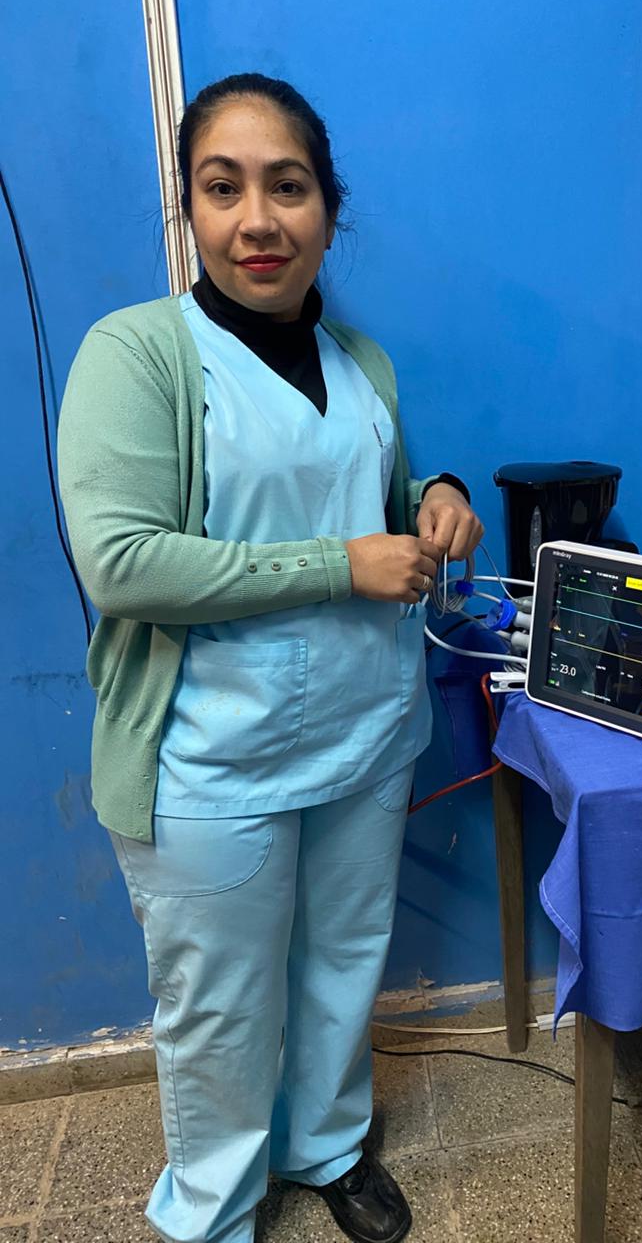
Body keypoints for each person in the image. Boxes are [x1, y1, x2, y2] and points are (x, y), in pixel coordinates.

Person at [57, 72, 483, 1243]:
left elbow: (382, 500)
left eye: (288, 187)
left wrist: (439, 494)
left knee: (344, 961)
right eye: (223, 187)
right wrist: (340, 565)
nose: (258, 219)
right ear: (189, 210)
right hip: (209, 755)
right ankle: (213, 1207)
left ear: (329, 212)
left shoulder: (362, 362)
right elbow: (124, 564)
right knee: (221, 1005)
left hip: (364, 729)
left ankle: (327, 1144)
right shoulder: (140, 354)